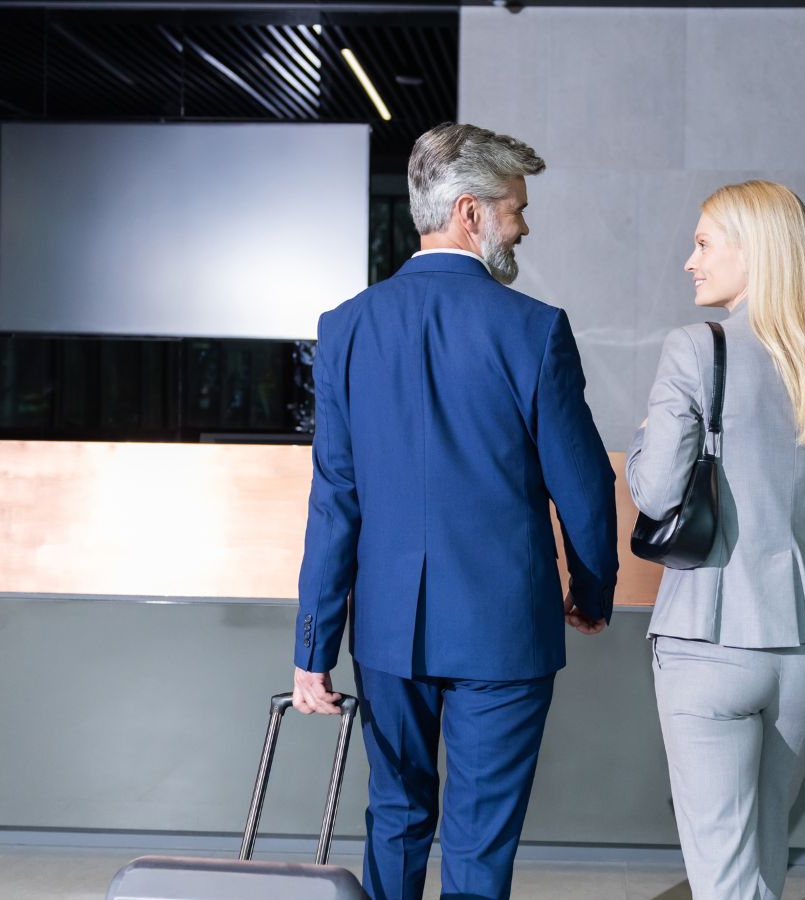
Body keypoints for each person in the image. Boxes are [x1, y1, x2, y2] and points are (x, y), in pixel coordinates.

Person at [290, 122, 618, 900]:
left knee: (396, 815)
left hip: (388, 632)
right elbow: (583, 483)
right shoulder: (533, 329)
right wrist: (592, 590)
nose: (524, 225)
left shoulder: (346, 328)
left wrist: (313, 647)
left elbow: (335, 498)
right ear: (470, 211)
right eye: (516, 208)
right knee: (478, 840)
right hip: (504, 631)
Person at [627, 180, 805, 900]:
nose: (689, 261)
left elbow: (656, 493)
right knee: (764, 851)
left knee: (726, 876)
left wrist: (647, 442)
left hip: (706, 639)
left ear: (753, 251)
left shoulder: (695, 349)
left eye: (704, 242)